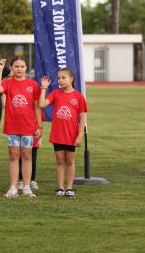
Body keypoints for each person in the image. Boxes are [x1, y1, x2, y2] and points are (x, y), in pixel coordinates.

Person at [0, 57, 42, 198]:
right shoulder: (8, 83)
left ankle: (27, 187)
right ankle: (13, 188)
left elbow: (37, 108)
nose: (19, 69)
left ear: (26, 68)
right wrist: (0, 69)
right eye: (16, 66)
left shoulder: (33, 85)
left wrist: (40, 127)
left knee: (27, 155)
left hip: (28, 126)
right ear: (12, 68)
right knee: (14, 155)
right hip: (12, 126)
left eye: (22, 66)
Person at [39, 69, 87, 197]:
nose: (60, 80)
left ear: (71, 78)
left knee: (70, 161)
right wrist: (44, 88)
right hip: (58, 134)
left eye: (63, 77)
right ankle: (60, 188)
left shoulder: (78, 96)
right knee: (60, 160)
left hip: (71, 135)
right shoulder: (55, 93)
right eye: (59, 78)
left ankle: (69, 188)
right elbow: (42, 104)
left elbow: (82, 117)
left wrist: (80, 134)